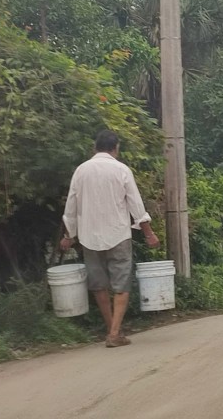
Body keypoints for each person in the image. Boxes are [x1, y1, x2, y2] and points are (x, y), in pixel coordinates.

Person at [60, 130, 160, 348]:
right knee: (121, 284)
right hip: (118, 234)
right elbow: (135, 204)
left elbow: (71, 205)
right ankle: (115, 333)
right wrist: (149, 233)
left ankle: (112, 330)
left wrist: (69, 235)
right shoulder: (121, 169)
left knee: (99, 285)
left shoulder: (81, 171)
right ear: (116, 148)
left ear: (95, 147)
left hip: (89, 235)